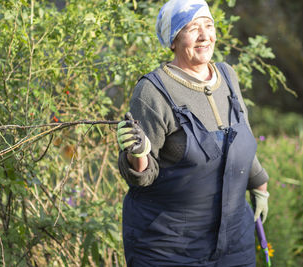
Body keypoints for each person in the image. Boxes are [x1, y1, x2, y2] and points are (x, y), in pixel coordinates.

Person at [116, 0, 270, 266]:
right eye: (192, 28)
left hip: (233, 241)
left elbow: (240, 137)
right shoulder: (153, 91)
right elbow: (142, 175)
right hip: (170, 247)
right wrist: (137, 152)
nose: (204, 36)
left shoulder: (227, 76)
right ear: (173, 40)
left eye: (208, 26)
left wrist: (259, 184)